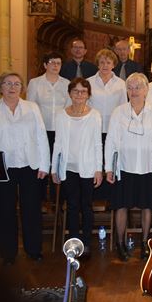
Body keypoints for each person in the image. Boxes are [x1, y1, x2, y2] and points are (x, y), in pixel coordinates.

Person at [0, 72, 50, 265]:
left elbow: (41, 137)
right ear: (1, 87)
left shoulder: (32, 108)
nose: (12, 87)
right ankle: (8, 254)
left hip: (30, 165)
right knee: (4, 210)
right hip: (1, 166)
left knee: (32, 209)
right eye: (8, 83)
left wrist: (44, 164)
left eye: (17, 84)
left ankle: (34, 250)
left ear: (22, 88)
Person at [105, 73, 152, 261]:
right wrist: (109, 167)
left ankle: (144, 243)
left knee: (147, 206)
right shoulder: (119, 112)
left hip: (148, 167)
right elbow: (110, 141)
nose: (133, 91)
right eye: (130, 88)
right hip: (123, 167)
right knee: (121, 206)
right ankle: (120, 243)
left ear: (146, 90)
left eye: (138, 87)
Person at [51, 78, 103, 259]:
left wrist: (99, 169)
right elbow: (57, 143)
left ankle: (86, 242)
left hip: (88, 167)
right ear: (70, 93)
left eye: (83, 91)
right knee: (72, 206)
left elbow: (98, 143)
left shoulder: (95, 115)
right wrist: (54, 168)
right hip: (68, 167)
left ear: (88, 95)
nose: (79, 94)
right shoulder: (61, 115)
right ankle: (74, 242)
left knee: (86, 206)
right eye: (76, 91)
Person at [26, 51, 70, 200]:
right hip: (41, 131)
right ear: (45, 65)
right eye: (52, 62)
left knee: (58, 163)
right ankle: (40, 199)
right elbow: (30, 108)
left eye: (58, 63)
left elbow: (69, 108)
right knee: (43, 162)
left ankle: (57, 199)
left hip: (60, 131)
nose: (55, 66)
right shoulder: (35, 83)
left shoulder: (66, 83)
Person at [87, 48, 127, 139]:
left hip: (114, 126)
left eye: (108, 63)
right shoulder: (88, 82)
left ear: (113, 65)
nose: (105, 65)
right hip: (93, 126)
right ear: (98, 64)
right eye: (102, 62)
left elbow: (123, 107)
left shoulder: (121, 83)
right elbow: (85, 105)